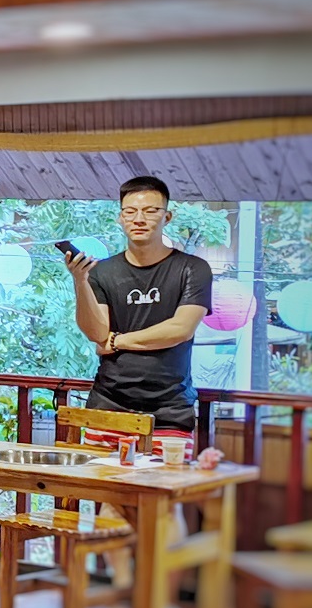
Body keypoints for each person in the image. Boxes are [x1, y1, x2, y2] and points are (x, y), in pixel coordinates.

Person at [66, 175, 211, 435]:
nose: (139, 219)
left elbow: (180, 329)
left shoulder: (193, 268)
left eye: (150, 211)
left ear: (167, 217)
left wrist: (116, 341)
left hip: (170, 411)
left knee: (165, 465)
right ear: (120, 218)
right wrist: (80, 280)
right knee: (95, 465)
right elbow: (97, 333)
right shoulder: (101, 272)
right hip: (107, 407)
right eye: (130, 212)